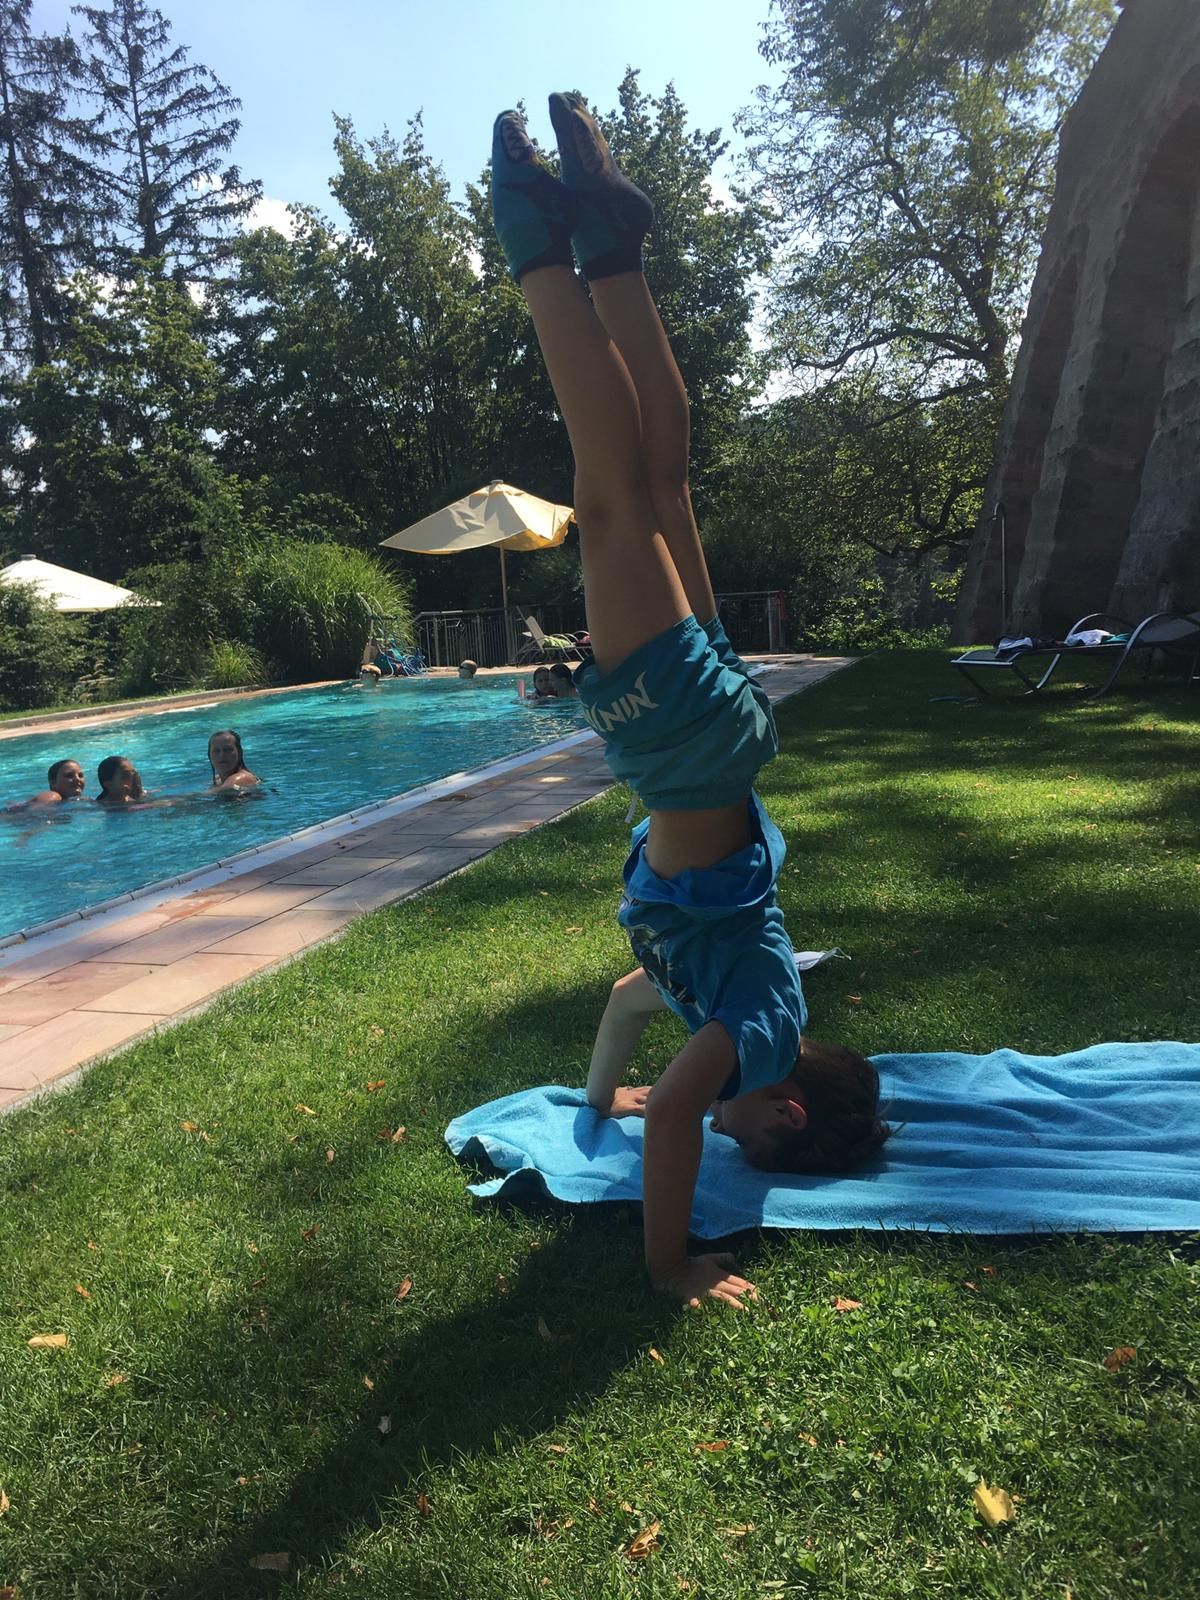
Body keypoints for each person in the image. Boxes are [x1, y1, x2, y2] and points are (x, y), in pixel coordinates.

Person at [490, 96, 889, 1308]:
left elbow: (630, 1011)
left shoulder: (727, 997)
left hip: (724, 732)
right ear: (789, 1105)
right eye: (757, 1144)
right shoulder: (761, 1031)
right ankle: (536, 246)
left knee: (659, 476)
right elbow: (678, 1112)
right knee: (608, 496)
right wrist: (671, 1262)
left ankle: (613, 248)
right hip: (685, 749)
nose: (731, 1140)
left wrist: (593, 1088)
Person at [12, 758, 86, 809]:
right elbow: (36, 814)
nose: (77, 779)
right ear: (53, 783)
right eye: (69, 776)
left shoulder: (73, 800)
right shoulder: (53, 796)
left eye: (80, 775)